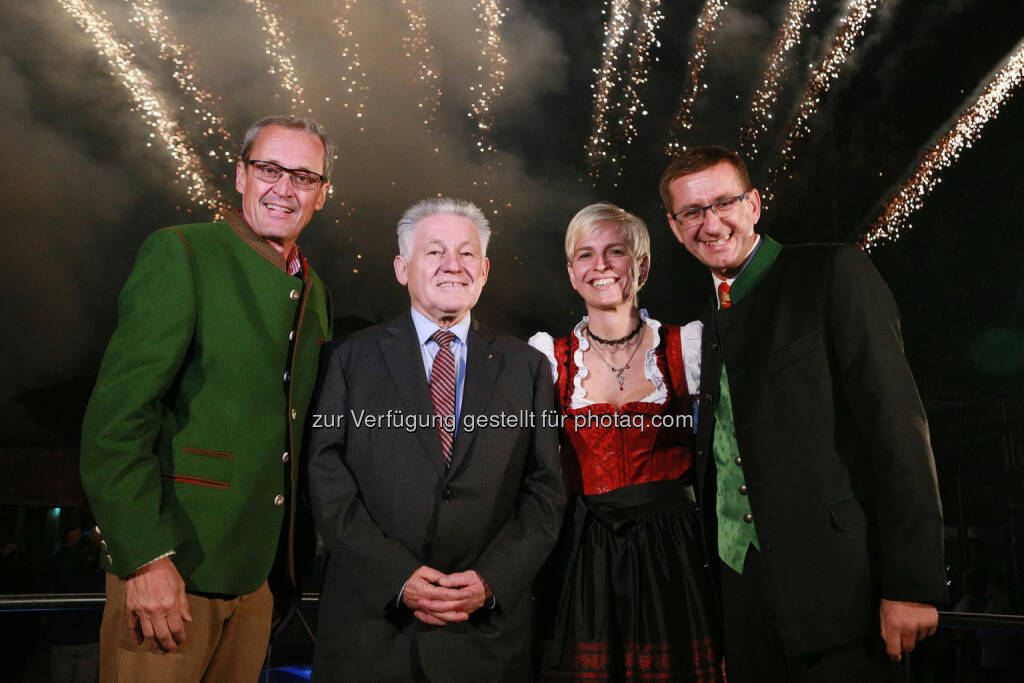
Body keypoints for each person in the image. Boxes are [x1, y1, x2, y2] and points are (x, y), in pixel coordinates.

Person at [660, 146, 947, 682]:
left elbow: (899, 430)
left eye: (724, 202)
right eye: (693, 212)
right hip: (745, 609)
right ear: (675, 228)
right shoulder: (708, 320)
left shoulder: (833, 272)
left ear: (755, 205)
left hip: (845, 598)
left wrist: (912, 584)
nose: (711, 222)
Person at [80, 114, 334, 681]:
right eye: (270, 169)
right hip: (171, 572)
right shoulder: (183, 252)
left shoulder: (316, 290)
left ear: (322, 194)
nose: (285, 188)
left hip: (258, 578)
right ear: (240, 175)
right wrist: (144, 558)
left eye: (304, 177)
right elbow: (117, 422)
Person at [307, 197, 566, 682]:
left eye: (467, 253)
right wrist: (395, 576)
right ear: (402, 268)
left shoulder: (527, 367)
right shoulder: (348, 359)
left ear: (485, 270)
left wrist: (493, 581)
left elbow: (546, 489)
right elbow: (325, 475)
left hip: (485, 637)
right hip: (371, 632)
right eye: (435, 252)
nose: (453, 265)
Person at [528, 202, 723, 681]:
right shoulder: (546, 359)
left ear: (642, 265)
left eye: (616, 251)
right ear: (571, 272)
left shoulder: (688, 347)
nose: (600, 266)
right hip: (584, 552)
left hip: (674, 552)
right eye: (585, 255)